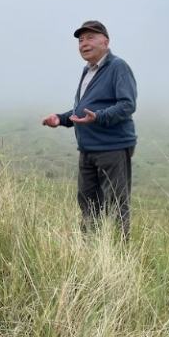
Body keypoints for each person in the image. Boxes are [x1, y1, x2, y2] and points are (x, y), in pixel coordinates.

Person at [42, 20, 137, 238]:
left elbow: (127, 105)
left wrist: (100, 117)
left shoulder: (117, 67)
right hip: (87, 149)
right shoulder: (88, 70)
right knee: (88, 202)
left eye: (90, 37)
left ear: (106, 41)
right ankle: (91, 249)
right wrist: (61, 118)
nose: (84, 43)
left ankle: (118, 253)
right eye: (80, 40)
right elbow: (83, 110)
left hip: (112, 148)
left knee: (115, 203)